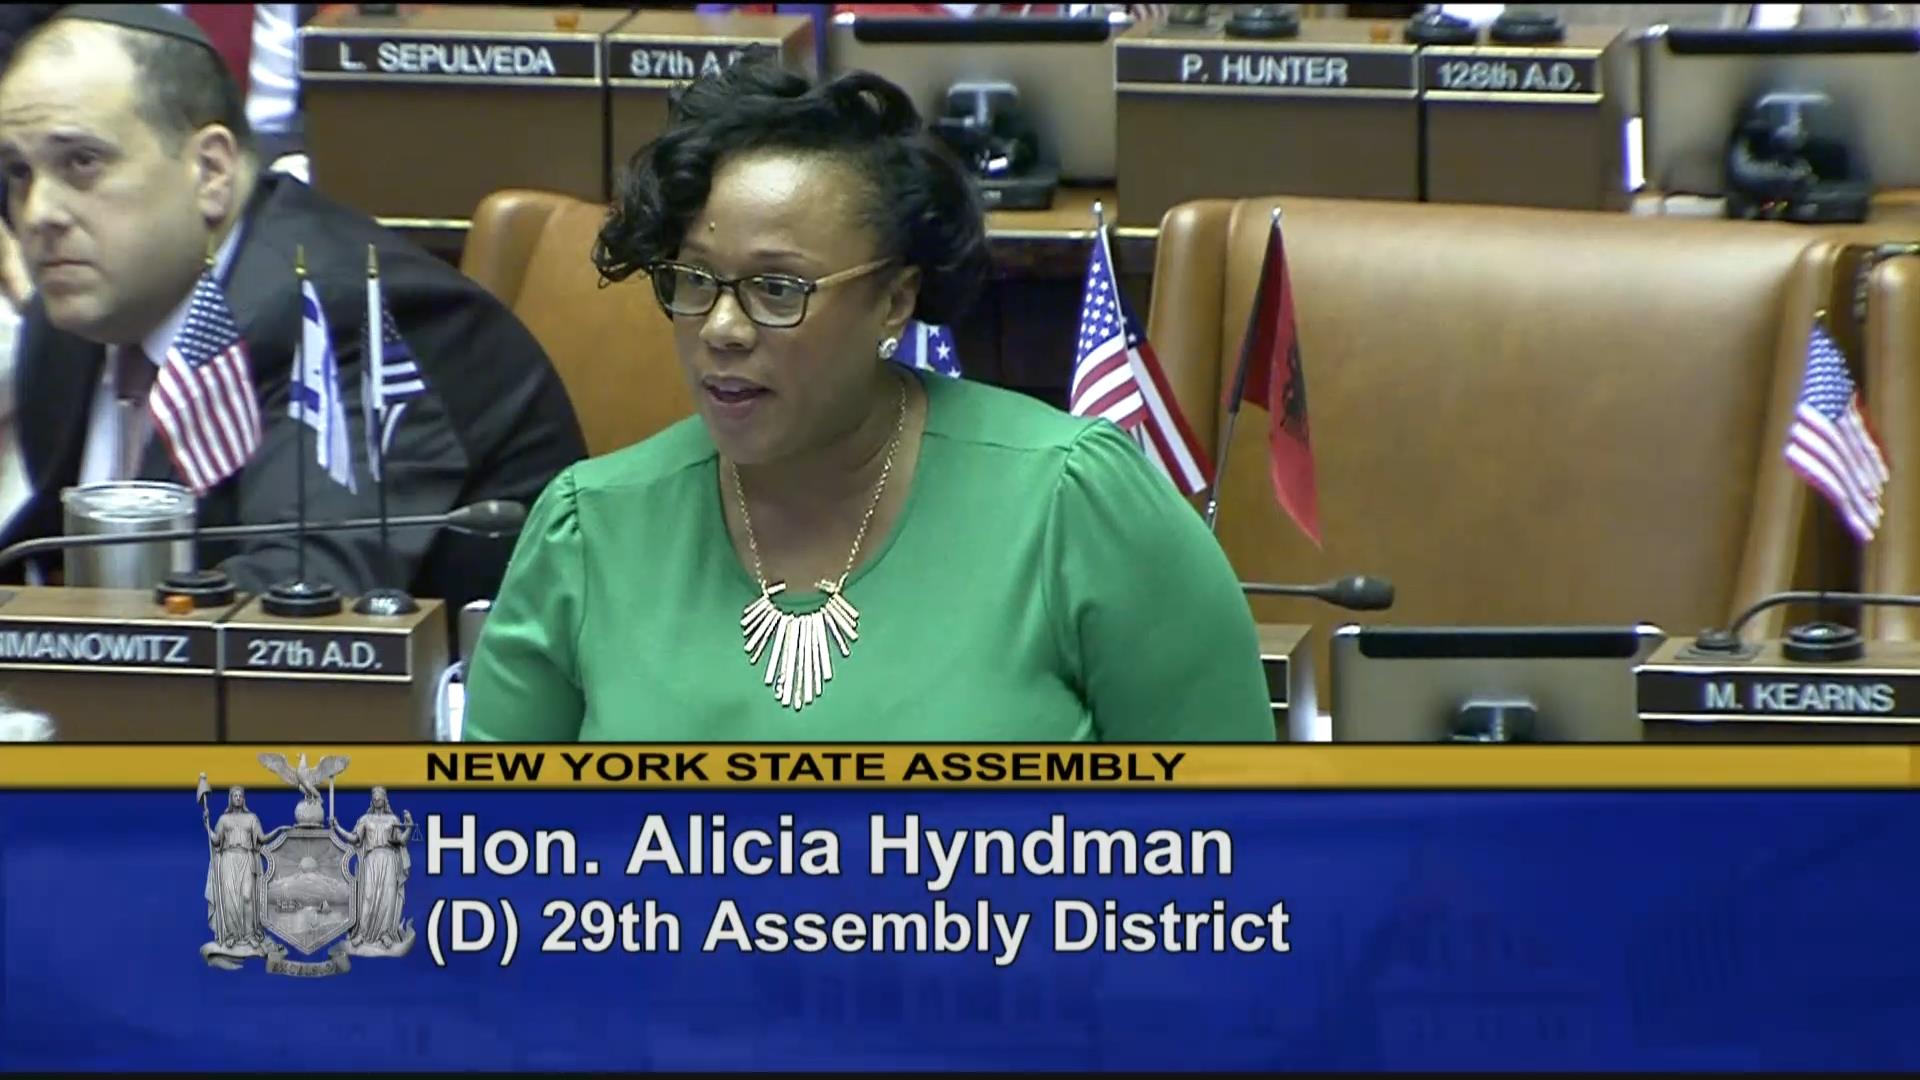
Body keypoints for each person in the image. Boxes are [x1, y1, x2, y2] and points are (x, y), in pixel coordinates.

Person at [461, 58, 1272, 741]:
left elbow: (1235, 840)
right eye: (694, 281)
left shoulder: (1076, 506)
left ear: (894, 300)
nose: (722, 328)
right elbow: (487, 851)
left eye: (778, 289)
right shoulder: (587, 531)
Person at [0, 5, 586, 610]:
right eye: (18, 172)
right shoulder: (71, 324)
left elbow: (299, 604)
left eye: (82, 163)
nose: (39, 213)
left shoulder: (341, 316)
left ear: (210, 171)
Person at [333, 786, 414, 955]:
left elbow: (401, 841)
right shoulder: (365, 819)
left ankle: (385, 934)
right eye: (374, 796)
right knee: (367, 896)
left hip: (389, 860)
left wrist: (409, 826)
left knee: (388, 897)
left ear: (385, 799)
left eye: (380, 796)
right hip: (371, 859)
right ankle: (362, 934)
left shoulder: (392, 819)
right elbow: (355, 838)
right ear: (372, 799)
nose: (377, 798)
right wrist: (338, 827)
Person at [202, 785, 268, 965]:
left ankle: (250, 935)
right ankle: (231, 936)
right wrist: (207, 826)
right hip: (229, 859)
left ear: (244, 799)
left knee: (247, 897)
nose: (238, 798)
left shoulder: (251, 818)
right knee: (230, 899)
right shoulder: (224, 819)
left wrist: (279, 833)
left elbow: (262, 839)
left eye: (241, 795)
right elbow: (217, 841)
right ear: (230, 799)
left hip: (246, 858)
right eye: (235, 795)